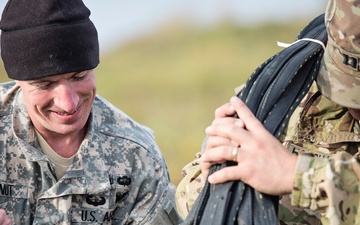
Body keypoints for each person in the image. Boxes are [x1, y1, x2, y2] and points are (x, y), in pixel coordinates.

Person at [176, 0, 360, 224]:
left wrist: (298, 175)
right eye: (349, 89)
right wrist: (221, 184)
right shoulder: (291, 94)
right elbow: (188, 196)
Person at [0, 0, 180, 224]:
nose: (68, 103)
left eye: (79, 77)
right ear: (18, 80)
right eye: (45, 84)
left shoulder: (138, 158)